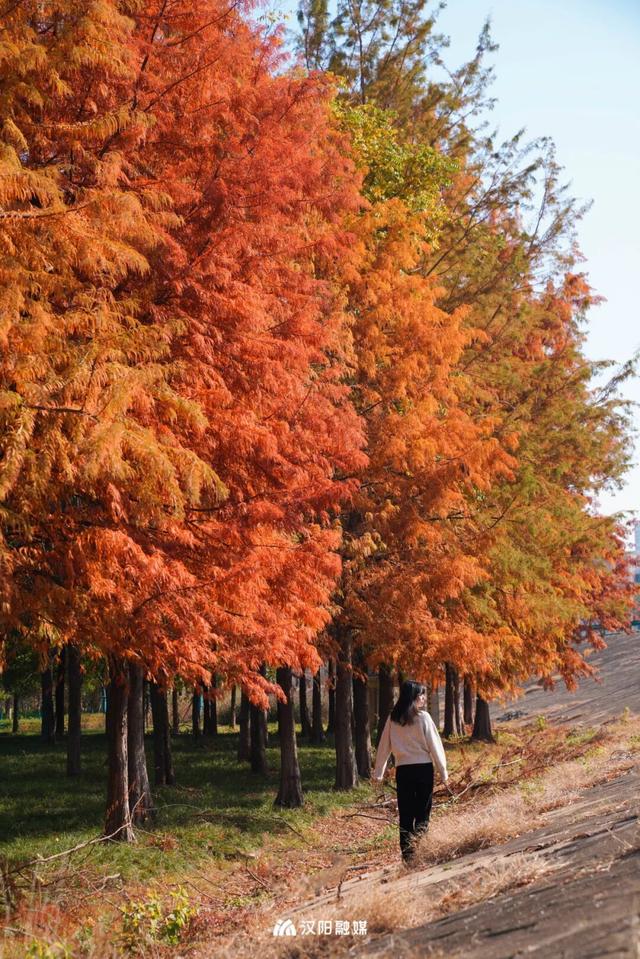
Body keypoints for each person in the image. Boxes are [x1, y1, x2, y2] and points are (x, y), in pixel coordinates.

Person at [372, 680, 448, 863]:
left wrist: (378, 773)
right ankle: (422, 852)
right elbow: (435, 746)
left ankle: (408, 858)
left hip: (403, 771)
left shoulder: (393, 719)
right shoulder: (424, 718)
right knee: (423, 812)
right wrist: (443, 772)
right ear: (414, 697)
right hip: (423, 770)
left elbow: (384, 747)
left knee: (406, 815)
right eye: (421, 694)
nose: (423, 698)